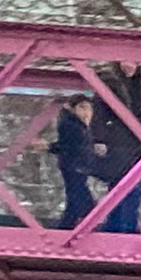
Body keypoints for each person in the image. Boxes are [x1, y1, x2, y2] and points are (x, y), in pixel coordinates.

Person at [89, 69, 141, 234]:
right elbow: (99, 114)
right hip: (120, 143)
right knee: (127, 187)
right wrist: (98, 140)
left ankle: (121, 227)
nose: (130, 65)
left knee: (127, 188)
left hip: (130, 144)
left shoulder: (135, 86)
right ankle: (124, 228)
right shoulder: (112, 83)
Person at [53, 96, 96, 229]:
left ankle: (67, 227)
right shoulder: (70, 125)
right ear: (73, 109)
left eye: (89, 108)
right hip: (74, 166)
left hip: (75, 166)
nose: (86, 112)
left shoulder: (77, 125)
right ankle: (69, 228)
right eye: (82, 107)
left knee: (75, 199)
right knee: (80, 199)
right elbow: (69, 145)